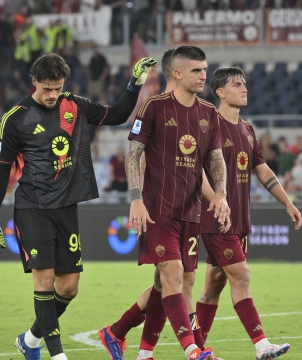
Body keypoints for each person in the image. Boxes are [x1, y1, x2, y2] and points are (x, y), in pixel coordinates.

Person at [0, 53, 158, 360]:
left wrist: (134, 84)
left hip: (65, 207)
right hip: (32, 208)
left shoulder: (73, 105)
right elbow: (1, 170)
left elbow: (117, 115)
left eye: (58, 87)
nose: (53, 94)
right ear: (34, 82)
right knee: (45, 280)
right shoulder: (15, 118)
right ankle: (57, 355)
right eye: (47, 88)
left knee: (69, 288)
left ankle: (31, 339)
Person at [99, 48, 217, 360]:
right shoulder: (154, 107)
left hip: (190, 212)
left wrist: (219, 198)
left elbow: (206, 165)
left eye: (204, 69)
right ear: (176, 73)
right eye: (196, 70)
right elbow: (133, 155)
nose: (203, 74)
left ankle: (125, 339)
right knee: (173, 274)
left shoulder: (207, 112)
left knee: (170, 283)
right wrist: (135, 200)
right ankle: (193, 350)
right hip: (157, 209)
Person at [195, 67, 301, 360]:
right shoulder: (208, 125)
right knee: (241, 276)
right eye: (237, 85)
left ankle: (195, 348)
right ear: (220, 92)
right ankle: (261, 344)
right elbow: (194, 171)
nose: (244, 89)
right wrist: (215, 199)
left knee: (214, 286)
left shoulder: (247, 129)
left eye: (244, 84)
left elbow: (262, 170)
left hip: (240, 220)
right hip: (215, 218)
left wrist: (288, 203)